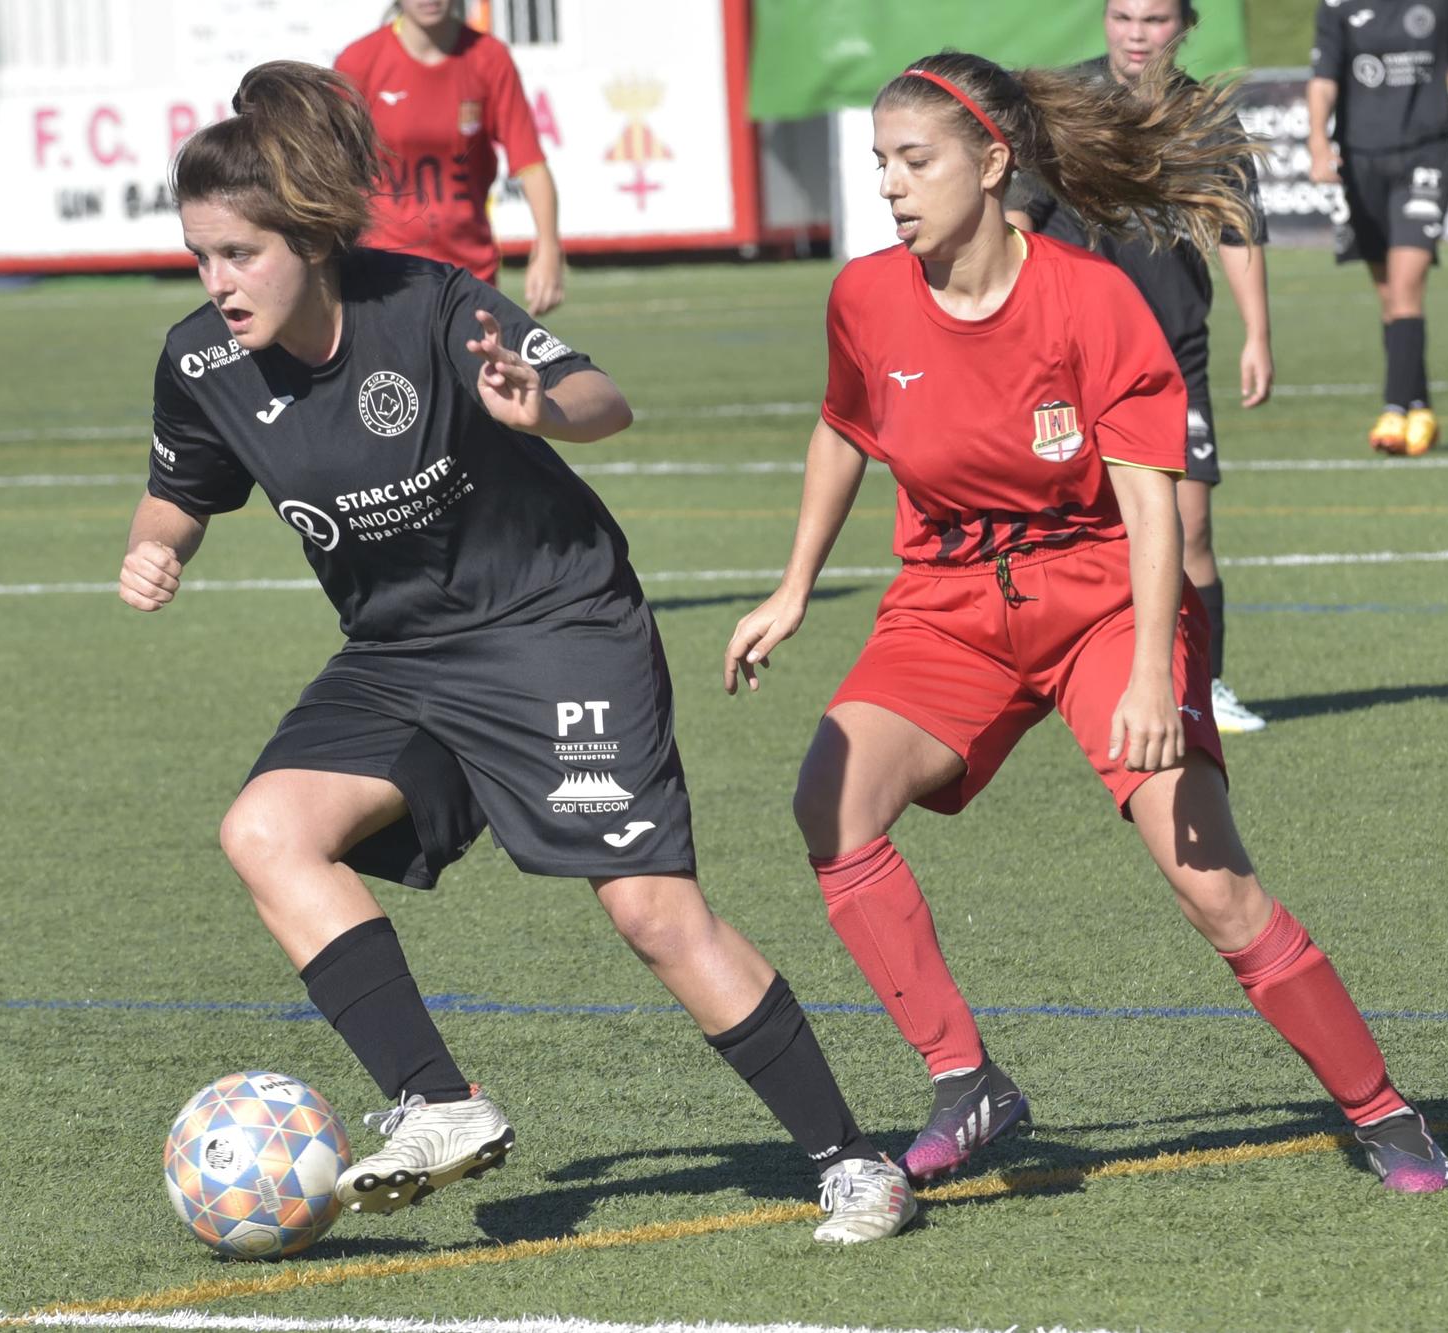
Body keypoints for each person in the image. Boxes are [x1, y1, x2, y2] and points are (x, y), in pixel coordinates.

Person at [119, 59, 914, 1245]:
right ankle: (437, 1102)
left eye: (240, 253)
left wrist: (538, 406)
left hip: (554, 626)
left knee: (649, 909)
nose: (216, 282)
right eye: (200, 256)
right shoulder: (200, 363)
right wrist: (155, 548)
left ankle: (852, 1160)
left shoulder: (433, 306)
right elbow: (179, 490)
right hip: (400, 653)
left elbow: (601, 396)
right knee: (264, 829)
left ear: (313, 241)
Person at [723, 49, 1448, 1197]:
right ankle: (967, 1083)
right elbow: (842, 428)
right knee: (831, 802)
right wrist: (791, 585)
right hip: (949, 603)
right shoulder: (864, 295)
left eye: (915, 161)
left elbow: (1149, 505)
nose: (890, 186)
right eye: (880, 164)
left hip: (1104, 599)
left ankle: (1382, 1109)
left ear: (991, 162)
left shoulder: (1087, 297)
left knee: (1208, 881)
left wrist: (1152, 680)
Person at [1006, 0, 1273, 735]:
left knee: (1190, 530)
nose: (1134, 33)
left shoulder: (1206, 117)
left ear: (1184, 26)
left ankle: (1204, 690)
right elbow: (1019, 218)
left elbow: (1237, 225)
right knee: (1059, 528)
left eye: (1154, 20)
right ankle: (1051, 682)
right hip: (1069, 358)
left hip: (1172, 354)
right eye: (1121, 16)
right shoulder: (1064, 107)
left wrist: (1258, 334)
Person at [1308, 0, 1448, 456]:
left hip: (1426, 155)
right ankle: (1420, 408)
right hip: (1361, 160)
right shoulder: (1337, 7)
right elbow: (1323, 80)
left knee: (1408, 284)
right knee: (1389, 295)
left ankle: (1393, 410)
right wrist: (1316, 140)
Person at [335, 0, 566, 315]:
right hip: (381, 272)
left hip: (469, 274)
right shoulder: (359, 61)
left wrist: (549, 249)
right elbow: (330, 165)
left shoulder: (489, 57)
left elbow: (531, 164)